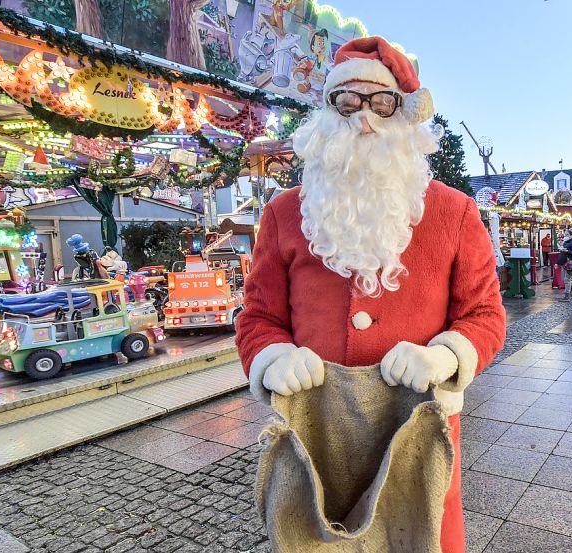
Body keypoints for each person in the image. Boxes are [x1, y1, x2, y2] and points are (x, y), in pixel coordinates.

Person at [235, 36, 506, 551]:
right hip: (315, 424)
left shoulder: (454, 213)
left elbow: (485, 314)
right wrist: (272, 357)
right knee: (313, 537)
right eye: (348, 102)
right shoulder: (284, 213)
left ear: (403, 116)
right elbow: (258, 317)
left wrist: (444, 355)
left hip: (419, 424)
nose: (365, 119)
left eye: (381, 104)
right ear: (328, 113)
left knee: (422, 534)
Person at [557, 230, 572, 300]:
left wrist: (567, 251)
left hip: (570, 263)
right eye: (565, 235)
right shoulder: (566, 242)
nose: (566, 236)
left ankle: (567, 295)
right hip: (564, 263)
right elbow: (562, 253)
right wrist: (558, 262)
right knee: (566, 279)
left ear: (571, 235)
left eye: (567, 235)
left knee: (567, 279)